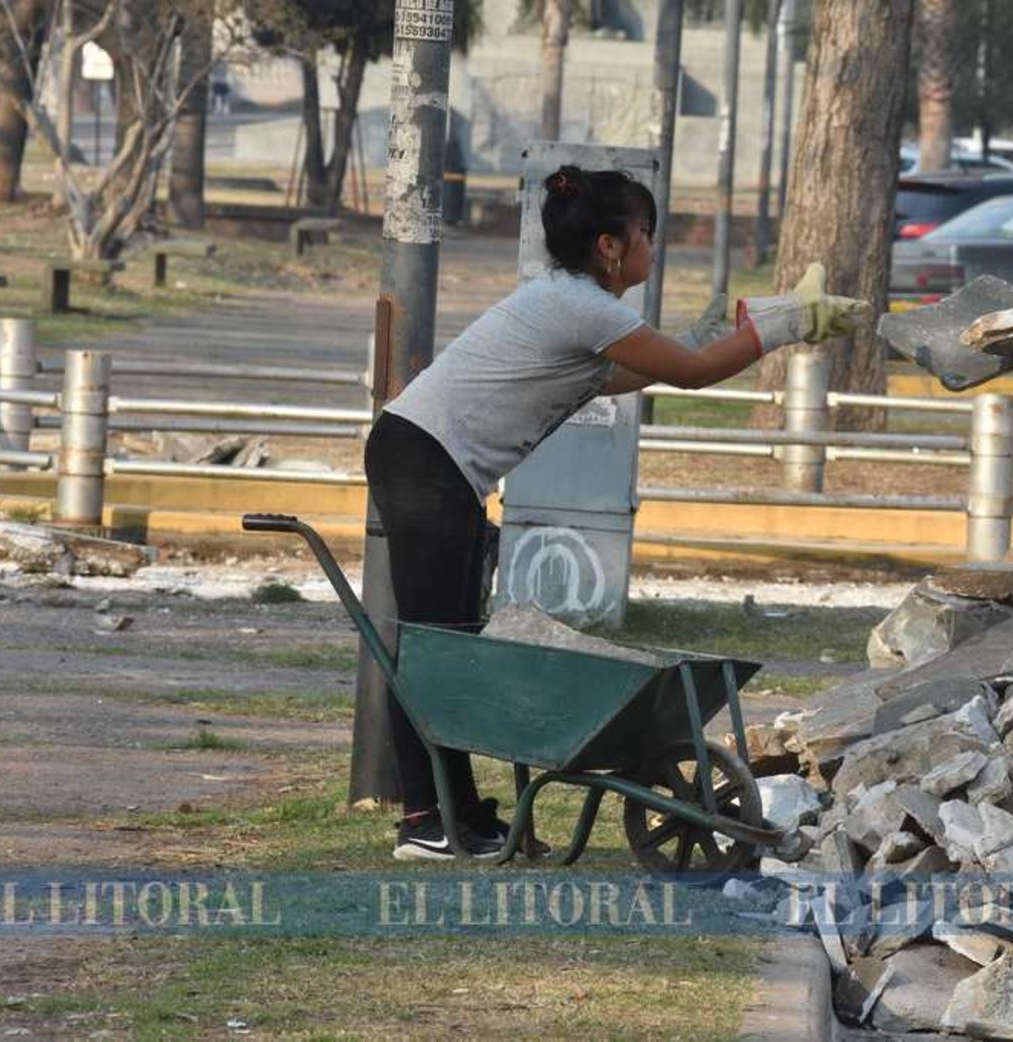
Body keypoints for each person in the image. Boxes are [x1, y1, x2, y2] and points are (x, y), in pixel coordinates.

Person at [364, 164, 866, 861]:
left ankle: (456, 814)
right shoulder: (586, 308)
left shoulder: (573, 304)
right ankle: (428, 820)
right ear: (611, 246)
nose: (651, 251)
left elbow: (645, 369)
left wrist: (729, 325)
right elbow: (688, 374)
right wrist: (784, 325)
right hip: (423, 461)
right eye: (647, 236)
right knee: (433, 651)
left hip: (426, 459)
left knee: (447, 646)